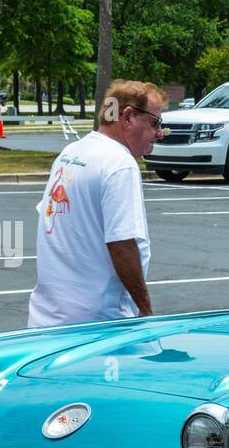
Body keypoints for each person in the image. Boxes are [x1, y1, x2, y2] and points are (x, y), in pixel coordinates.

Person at [27, 79, 167, 328]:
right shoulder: (118, 163)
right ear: (127, 117)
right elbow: (121, 243)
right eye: (155, 122)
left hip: (47, 319)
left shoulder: (71, 153)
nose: (159, 133)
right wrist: (145, 309)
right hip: (97, 325)